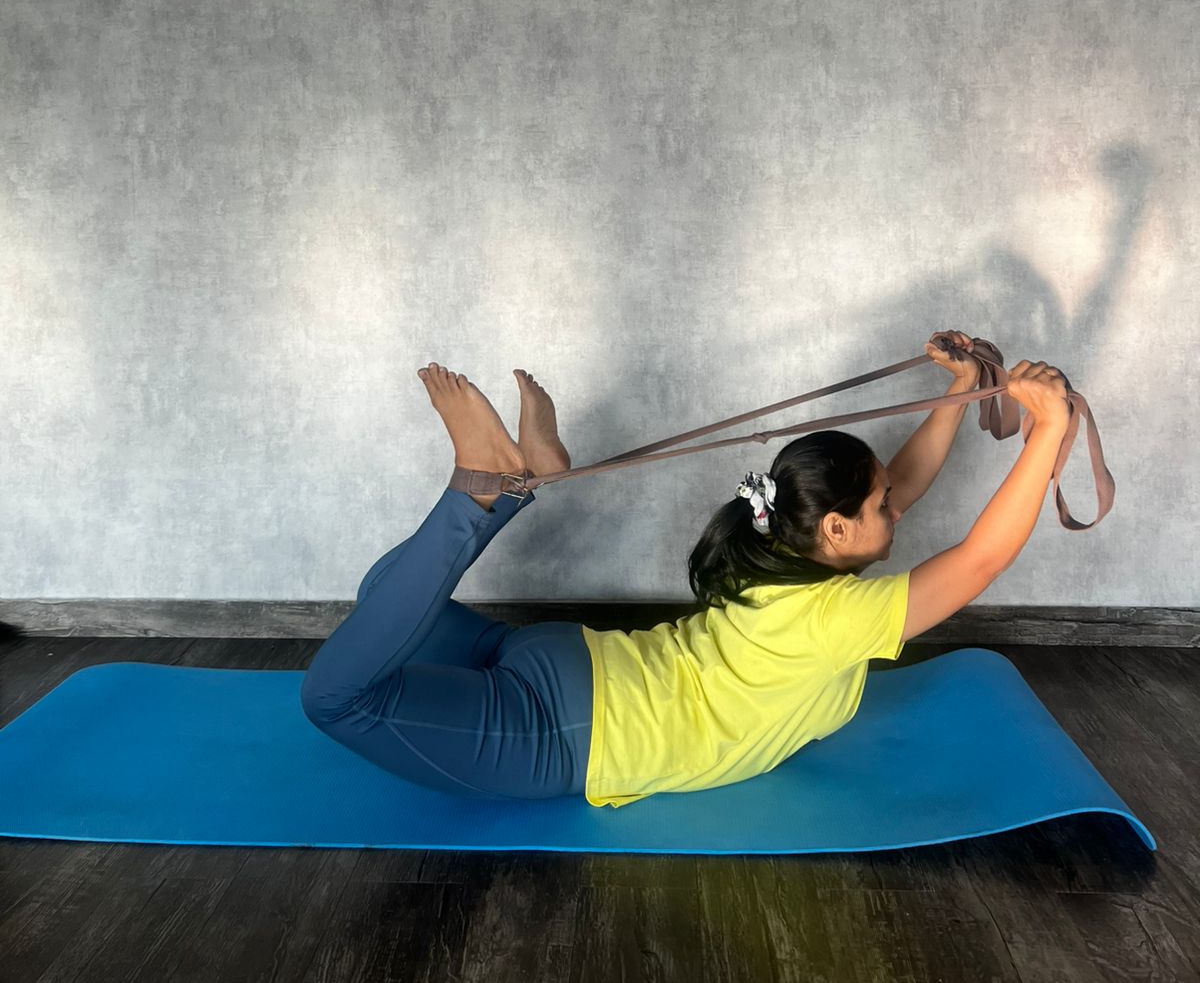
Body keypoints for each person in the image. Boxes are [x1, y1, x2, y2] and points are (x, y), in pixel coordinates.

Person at [299, 334, 1071, 807]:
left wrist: (959, 392)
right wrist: (1048, 429)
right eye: (883, 507)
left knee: (383, 599)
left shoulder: (775, 539)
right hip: (570, 733)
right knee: (333, 699)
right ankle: (479, 491)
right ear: (835, 529)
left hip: (564, 660)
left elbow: (896, 483)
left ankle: (515, 484)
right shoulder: (837, 617)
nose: (897, 508)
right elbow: (981, 558)